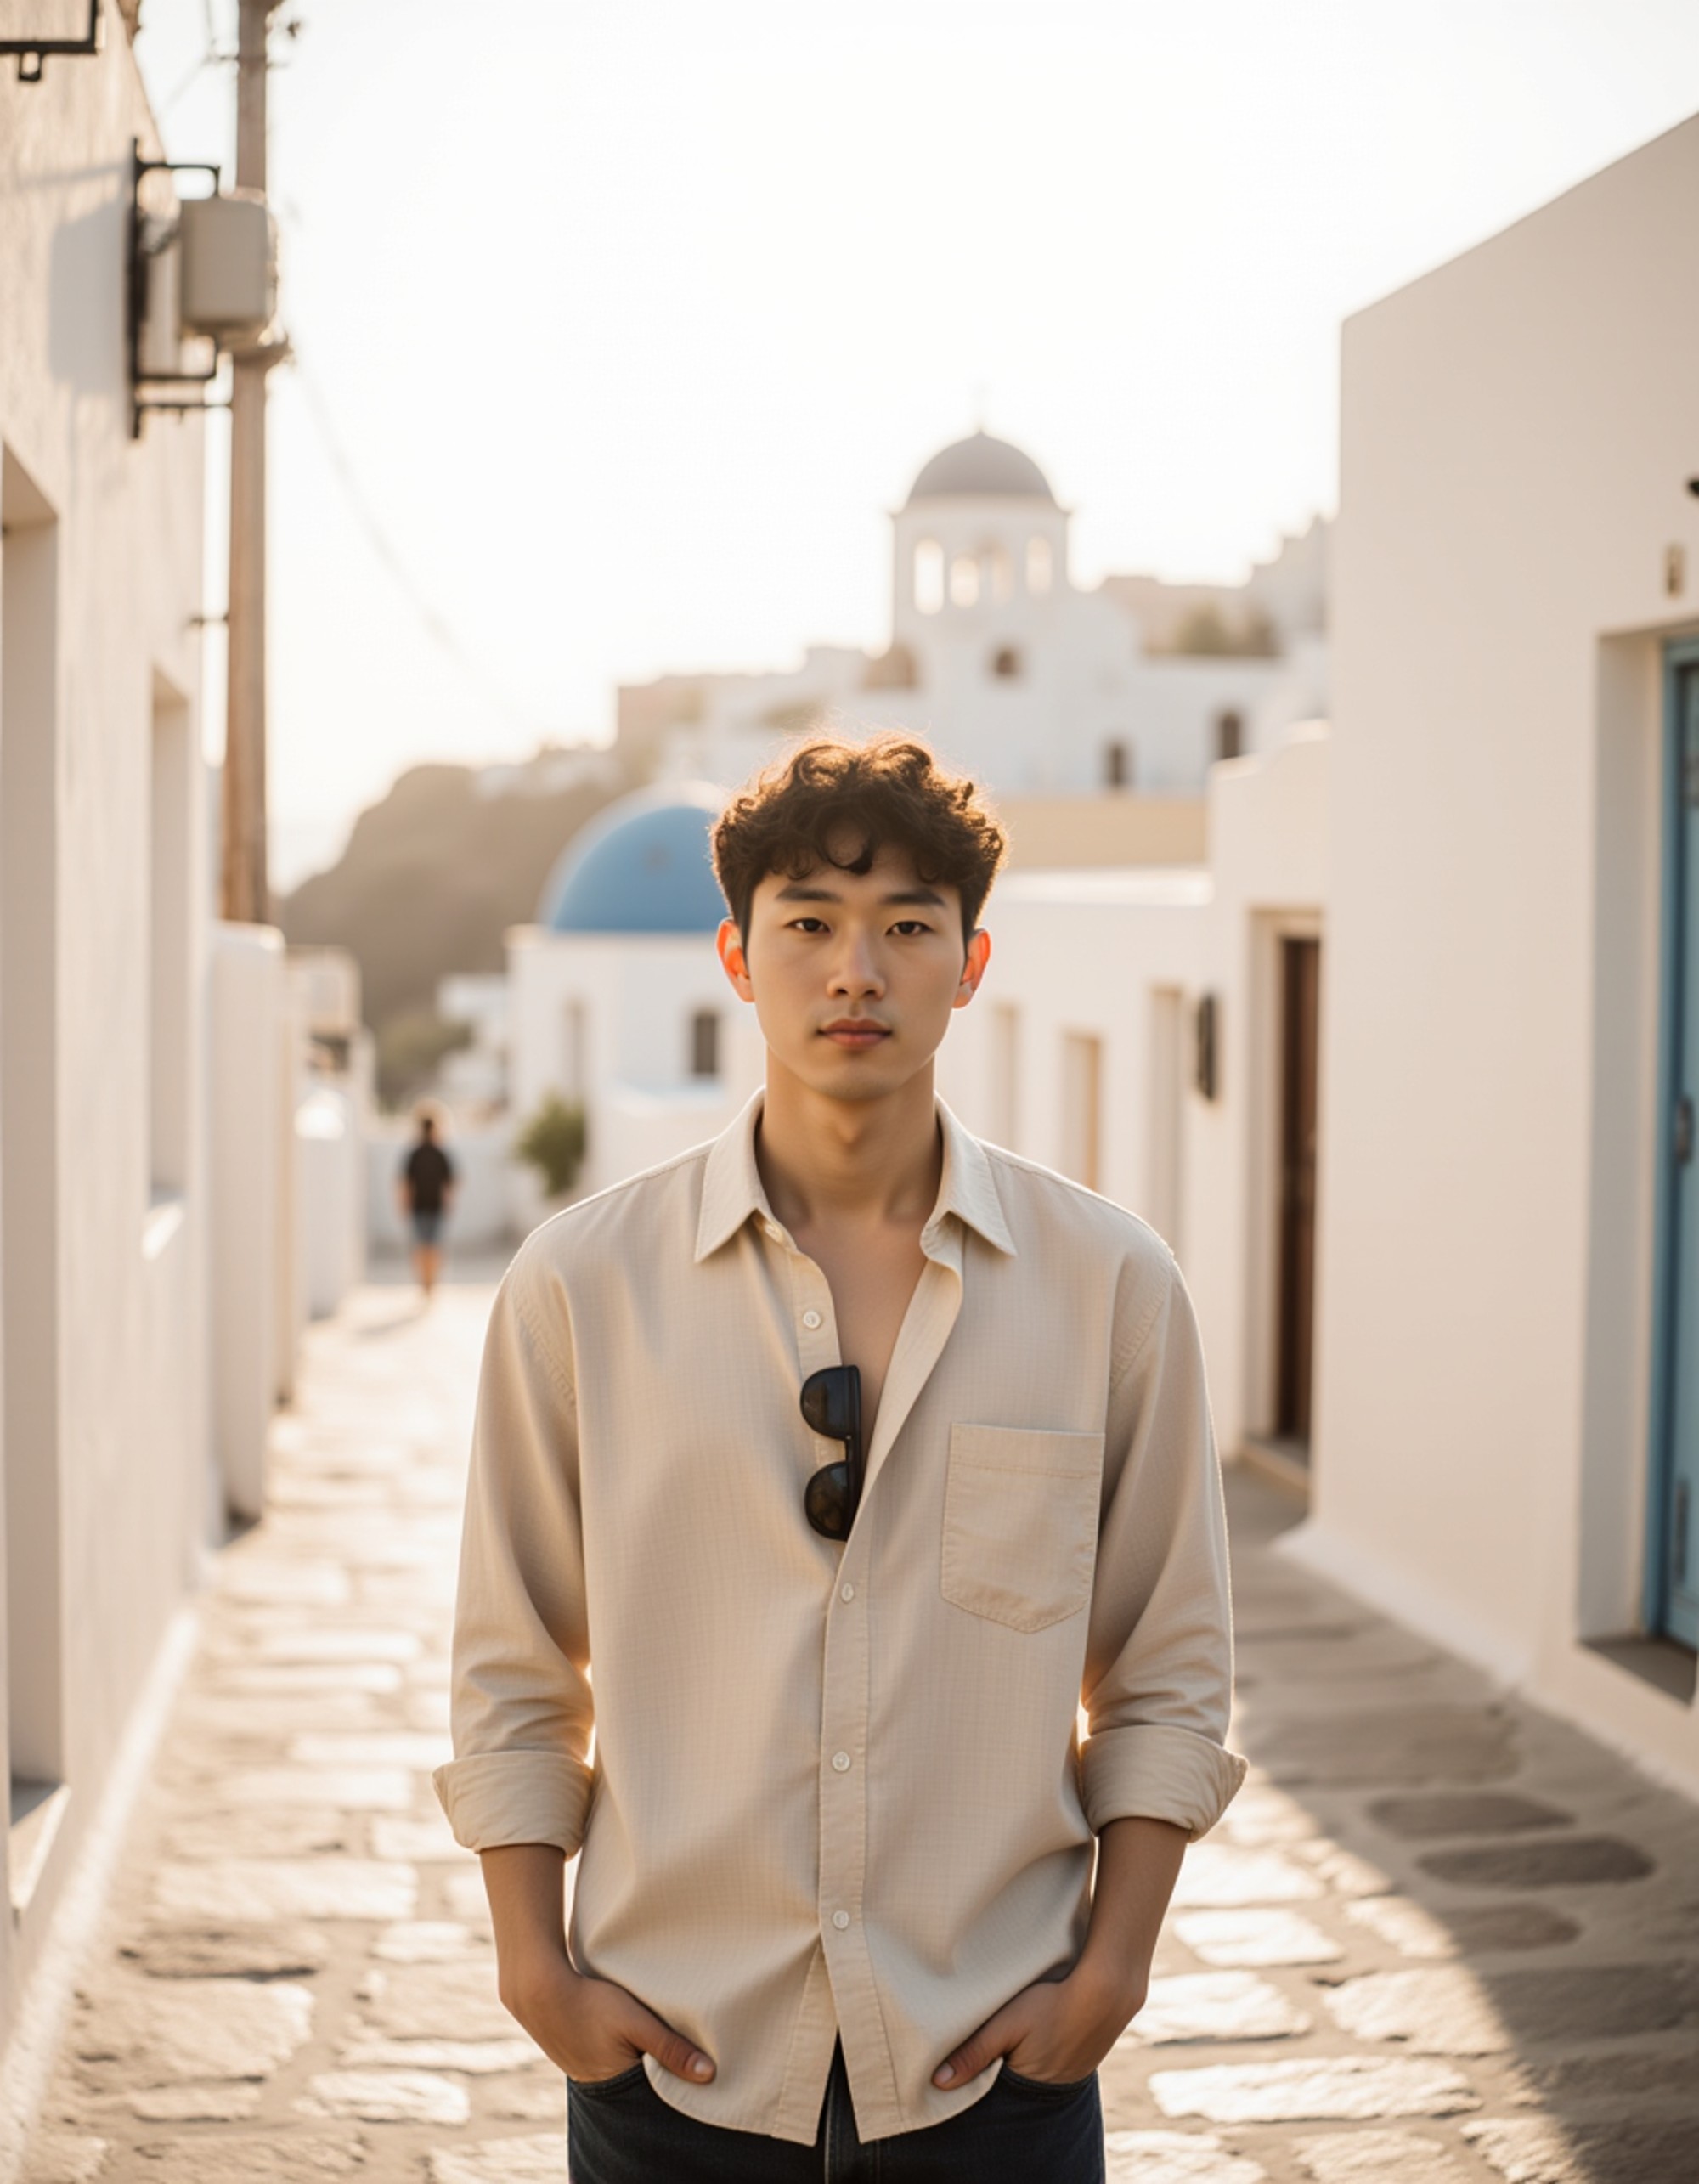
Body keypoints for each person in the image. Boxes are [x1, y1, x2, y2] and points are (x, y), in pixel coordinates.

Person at [433, 734, 1245, 2183]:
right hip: (674, 2070)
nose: (855, 970)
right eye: (808, 922)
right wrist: (533, 1973)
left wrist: (1110, 1974)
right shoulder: (579, 1286)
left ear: (972, 960)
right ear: (740, 959)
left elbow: (1167, 1664)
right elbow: (515, 1665)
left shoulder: (1110, 1285)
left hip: (992, 2072)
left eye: (906, 927)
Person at [397, 1109, 455, 1299]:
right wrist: (448, 1204)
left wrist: (404, 1205)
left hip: (422, 1207)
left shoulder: (420, 1153)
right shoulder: (435, 1153)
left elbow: (405, 1184)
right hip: (430, 1207)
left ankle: (427, 1284)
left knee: (424, 1248)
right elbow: (450, 1184)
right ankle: (429, 1284)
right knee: (430, 1248)